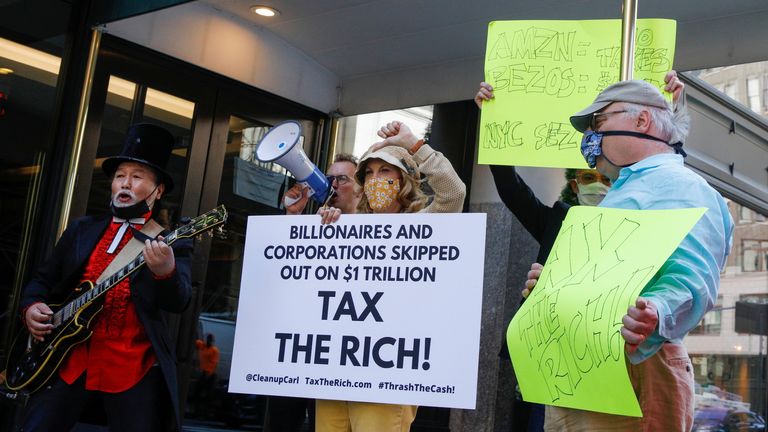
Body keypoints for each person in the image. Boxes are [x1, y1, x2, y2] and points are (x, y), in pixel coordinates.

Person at [474, 72, 684, 431]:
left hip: (605, 357)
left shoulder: (641, 213)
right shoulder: (558, 219)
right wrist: (492, 122)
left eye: (606, 179)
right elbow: (511, 189)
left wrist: (673, 114)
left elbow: (670, 182)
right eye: (589, 178)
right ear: (575, 184)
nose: (599, 184)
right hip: (549, 352)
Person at [525, 79, 733, 431]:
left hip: (635, 367)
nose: (592, 136)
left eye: (599, 122)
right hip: (590, 369)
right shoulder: (627, 189)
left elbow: (691, 276)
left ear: (641, 121)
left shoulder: (679, 187)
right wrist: (552, 289)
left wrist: (657, 313)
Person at [15, 123, 193, 432]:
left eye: (137, 177)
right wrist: (31, 307)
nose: (125, 184)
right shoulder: (82, 229)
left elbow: (179, 301)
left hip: (131, 365)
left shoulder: (171, 241)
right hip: (67, 358)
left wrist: (166, 272)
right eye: (120, 176)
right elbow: (42, 280)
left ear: (158, 190)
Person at [316, 120, 466, 432]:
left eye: (385, 171)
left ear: (404, 179)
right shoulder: (348, 229)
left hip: (387, 377)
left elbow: (453, 192)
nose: (375, 179)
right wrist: (323, 233)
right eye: (368, 172)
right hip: (336, 370)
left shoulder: (424, 225)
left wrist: (415, 144)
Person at [284, 153, 361, 216]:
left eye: (342, 178)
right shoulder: (320, 220)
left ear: (360, 189)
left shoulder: (371, 223)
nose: (333, 184)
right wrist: (293, 214)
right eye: (329, 179)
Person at [190, 333, 220, 415]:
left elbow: (214, 364)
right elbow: (195, 341)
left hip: (210, 374)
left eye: (210, 340)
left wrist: (208, 375)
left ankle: (205, 412)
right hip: (203, 372)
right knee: (198, 392)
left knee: (208, 394)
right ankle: (197, 410)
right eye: (208, 340)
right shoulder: (202, 346)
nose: (209, 341)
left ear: (212, 341)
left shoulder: (214, 350)